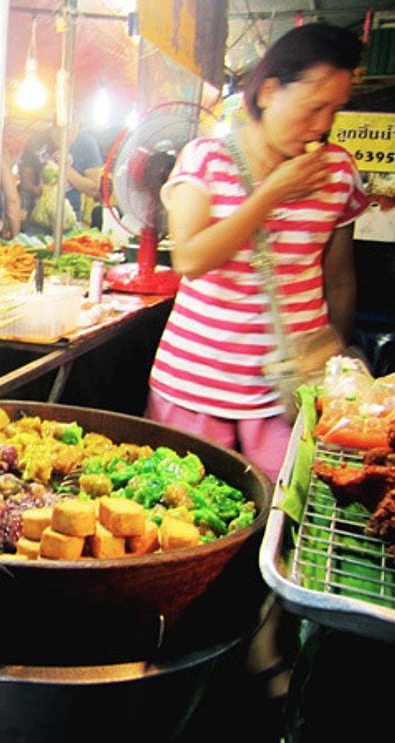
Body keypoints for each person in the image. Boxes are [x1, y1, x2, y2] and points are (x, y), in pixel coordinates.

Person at [145, 21, 367, 483]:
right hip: (194, 390)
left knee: (277, 526)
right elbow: (189, 258)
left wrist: (332, 361)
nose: (323, 125)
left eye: (335, 111)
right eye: (313, 107)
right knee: (186, 529)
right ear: (268, 91)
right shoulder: (205, 159)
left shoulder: (339, 173)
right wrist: (271, 195)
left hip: (287, 395)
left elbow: (340, 278)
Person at [18, 121, 101, 233]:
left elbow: (93, 189)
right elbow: (25, 181)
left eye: (70, 131)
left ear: (77, 127)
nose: (63, 135)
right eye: (58, 130)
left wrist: (64, 168)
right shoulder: (36, 141)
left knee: (69, 248)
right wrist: (38, 190)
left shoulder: (87, 144)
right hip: (38, 218)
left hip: (70, 219)